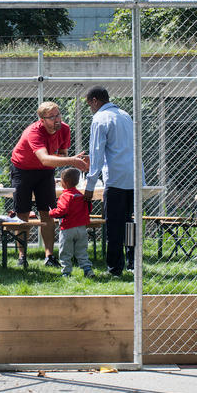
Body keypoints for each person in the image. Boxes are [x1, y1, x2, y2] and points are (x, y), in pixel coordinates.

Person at [9, 101, 89, 268]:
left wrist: (72, 159)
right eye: (51, 117)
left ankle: (50, 257)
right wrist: (71, 161)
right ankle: (22, 256)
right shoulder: (34, 132)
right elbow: (45, 158)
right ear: (42, 120)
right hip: (23, 169)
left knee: (48, 212)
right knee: (23, 213)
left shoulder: (64, 129)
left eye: (58, 114)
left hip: (46, 171)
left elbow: (62, 155)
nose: (57, 119)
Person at [83, 86, 138, 277]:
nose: (90, 108)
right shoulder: (125, 115)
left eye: (89, 104)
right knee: (129, 223)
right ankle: (133, 262)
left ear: (95, 101)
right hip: (132, 178)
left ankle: (115, 268)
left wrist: (90, 185)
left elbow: (97, 153)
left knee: (114, 225)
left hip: (115, 179)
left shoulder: (100, 118)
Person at [48, 167, 94, 278]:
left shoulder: (65, 196)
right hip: (81, 228)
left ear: (65, 182)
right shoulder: (81, 196)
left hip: (67, 228)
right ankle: (87, 269)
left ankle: (66, 272)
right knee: (82, 251)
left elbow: (62, 211)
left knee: (65, 252)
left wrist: (51, 212)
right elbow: (89, 208)